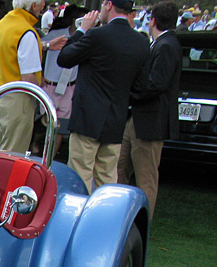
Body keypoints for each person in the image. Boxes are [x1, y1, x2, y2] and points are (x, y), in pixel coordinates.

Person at [51, 0, 150, 192]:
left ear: (109, 5)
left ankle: (82, 218)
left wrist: (81, 31)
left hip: (87, 116)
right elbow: (140, 86)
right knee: (108, 177)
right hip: (116, 117)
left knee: (81, 174)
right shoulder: (141, 42)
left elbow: (65, 58)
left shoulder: (97, 35)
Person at [117, 0, 180, 219]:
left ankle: (143, 221)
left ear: (152, 20)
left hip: (150, 122)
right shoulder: (161, 44)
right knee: (120, 167)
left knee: (146, 177)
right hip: (137, 118)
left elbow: (156, 84)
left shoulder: (167, 45)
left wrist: (129, 94)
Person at [0, 0, 46, 154]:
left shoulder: (5, 23)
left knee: (1, 150)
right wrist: (45, 99)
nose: (44, 5)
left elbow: (13, 51)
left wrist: (46, 45)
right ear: (33, 5)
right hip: (19, 98)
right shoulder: (25, 31)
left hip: (1, 94)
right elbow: (28, 77)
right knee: (14, 152)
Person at [40, 4, 84, 157]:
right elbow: (39, 49)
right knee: (44, 123)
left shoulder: (87, 39)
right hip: (49, 84)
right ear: (74, 20)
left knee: (61, 127)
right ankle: (38, 149)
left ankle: (51, 157)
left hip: (69, 87)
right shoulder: (57, 35)